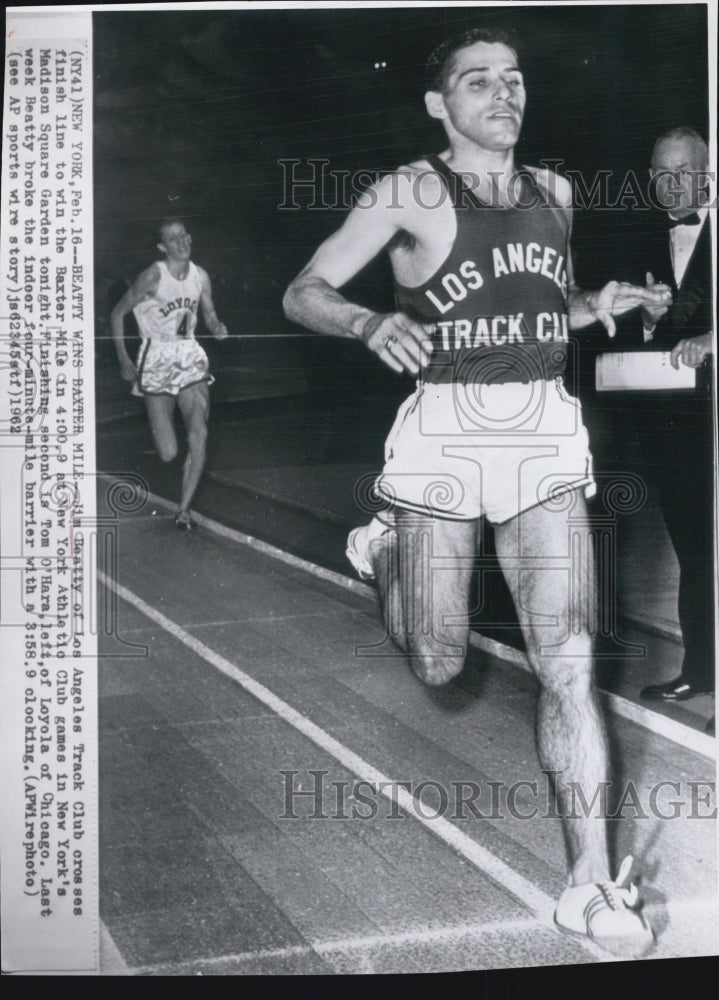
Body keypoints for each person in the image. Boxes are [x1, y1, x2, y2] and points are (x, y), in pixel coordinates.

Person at [283, 27, 674, 955]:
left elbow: (545, 302)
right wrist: (367, 318)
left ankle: (587, 887)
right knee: (436, 658)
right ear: (438, 104)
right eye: (477, 81)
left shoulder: (557, 194)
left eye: (514, 79)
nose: (503, 94)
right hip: (447, 427)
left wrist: (596, 305)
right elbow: (304, 289)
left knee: (568, 656)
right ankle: (383, 546)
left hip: (541, 424)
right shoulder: (408, 191)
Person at [621, 129, 715, 734]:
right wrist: (652, 322)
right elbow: (628, 333)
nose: (669, 185)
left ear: (708, 171)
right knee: (695, 548)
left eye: (682, 172)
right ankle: (703, 671)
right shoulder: (644, 236)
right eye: (659, 173)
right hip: (681, 428)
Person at [111, 218, 228, 530]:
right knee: (168, 452)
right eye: (174, 237)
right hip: (156, 356)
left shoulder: (200, 276)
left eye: (185, 234)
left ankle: (183, 510)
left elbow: (210, 313)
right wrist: (123, 358)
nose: (182, 241)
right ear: (163, 246)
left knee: (199, 431)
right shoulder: (152, 276)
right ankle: (166, 440)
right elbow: (117, 314)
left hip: (189, 353)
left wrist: (216, 327)